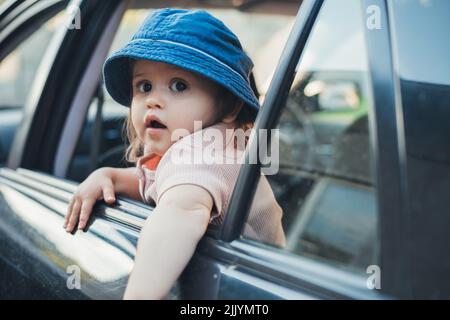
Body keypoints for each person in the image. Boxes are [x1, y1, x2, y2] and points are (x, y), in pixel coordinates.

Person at [63, 8, 285, 299]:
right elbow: (160, 183)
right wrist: (111, 177)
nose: (154, 100)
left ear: (229, 107)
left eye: (179, 85)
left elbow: (179, 214)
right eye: (144, 86)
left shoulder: (202, 154)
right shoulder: (206, 150)